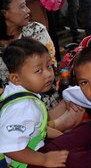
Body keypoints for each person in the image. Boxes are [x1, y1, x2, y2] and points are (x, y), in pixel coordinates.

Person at [0, 39, 74, 168]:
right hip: (25, 162)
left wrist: (62, 137)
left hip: (34, 153)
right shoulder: (23, 107)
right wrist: (45, 160)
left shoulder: (19, 94)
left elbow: (35, 129)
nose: (48, 74)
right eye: (38, 71)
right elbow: (10, 148)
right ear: (15, 78)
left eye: (48, 66)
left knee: (81, 135)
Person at [0, 0, 59, 109]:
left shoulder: (36, 31)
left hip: (44, 97)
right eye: (22, 6)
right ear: (4, 13)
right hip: (10, 104)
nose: (28, 10)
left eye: (26, 5)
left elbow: (51, 65)